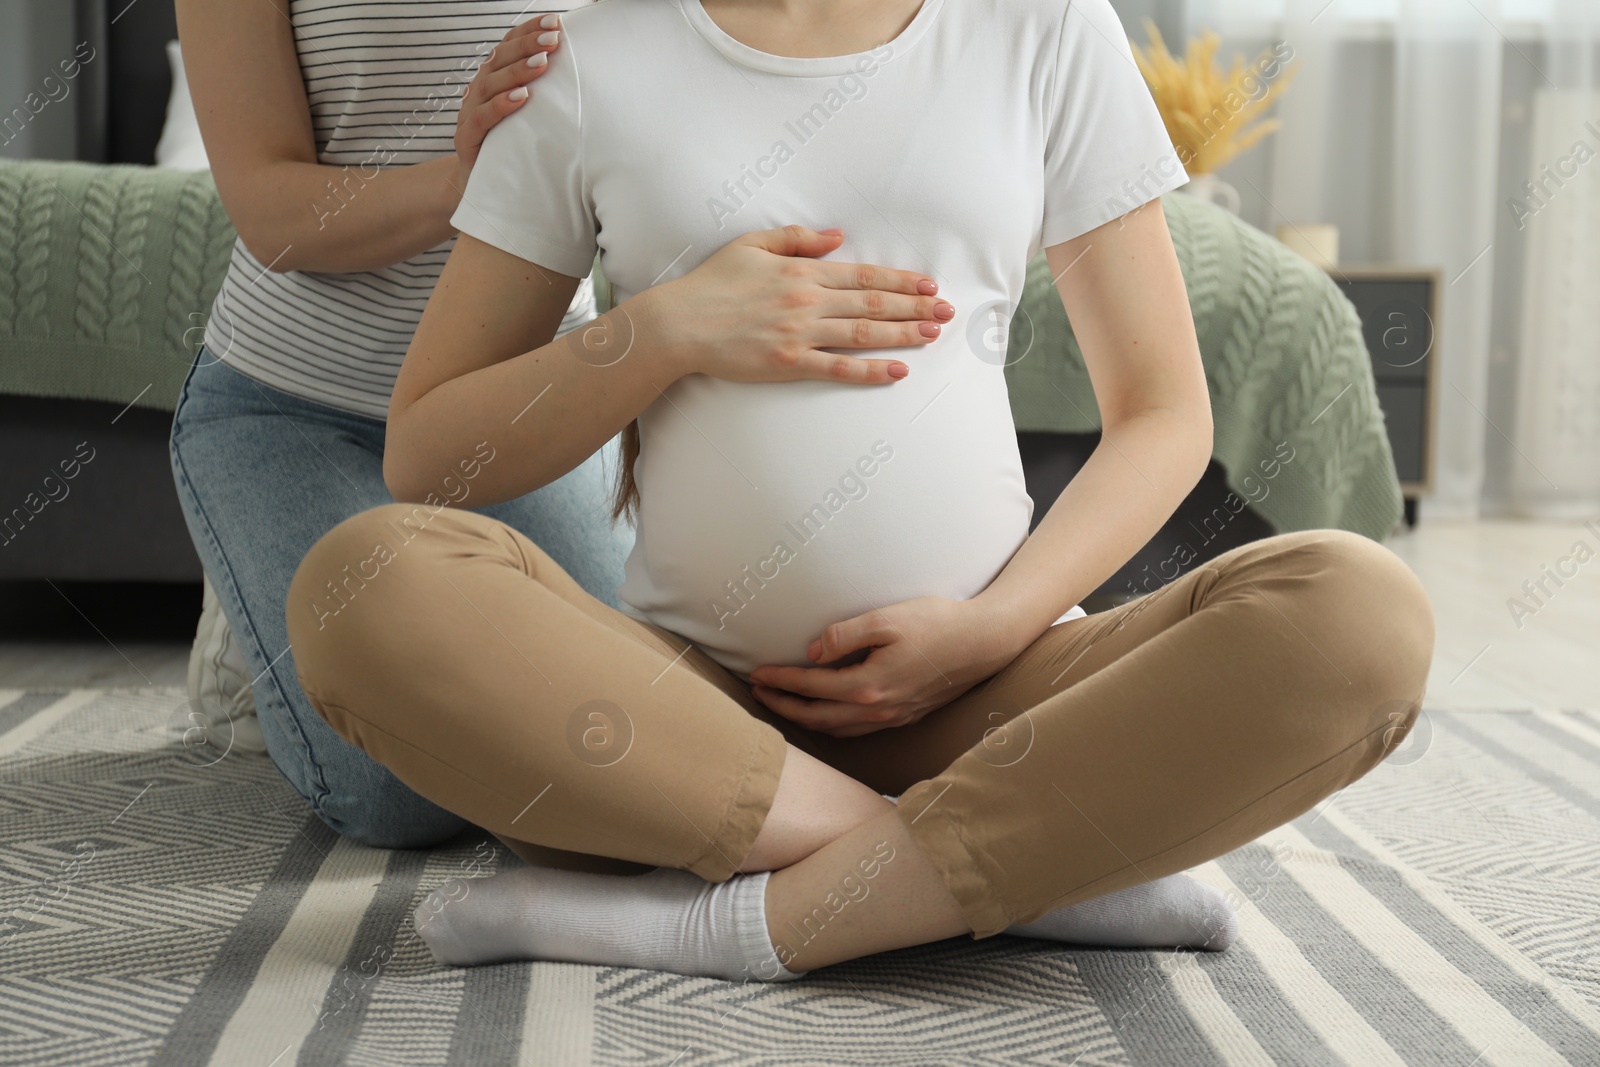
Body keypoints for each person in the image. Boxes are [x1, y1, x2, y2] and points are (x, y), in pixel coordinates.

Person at [286, 0, 1436, 981]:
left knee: (1359, 615)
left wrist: (988, 628)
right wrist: (663, 330)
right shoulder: (588, 59)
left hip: (998, 701)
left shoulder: (1040, 24)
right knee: (359, 583)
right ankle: (1002, 871)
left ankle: (730, 919)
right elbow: (431, 452)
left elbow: (1164, 414)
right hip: (691, 728)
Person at [169, 0, 948, 849]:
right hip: (293, 404)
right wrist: (480, 180)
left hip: (523, 398)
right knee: (402, 798)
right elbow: (270, 213)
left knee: (648, 716)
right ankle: (243, 648)